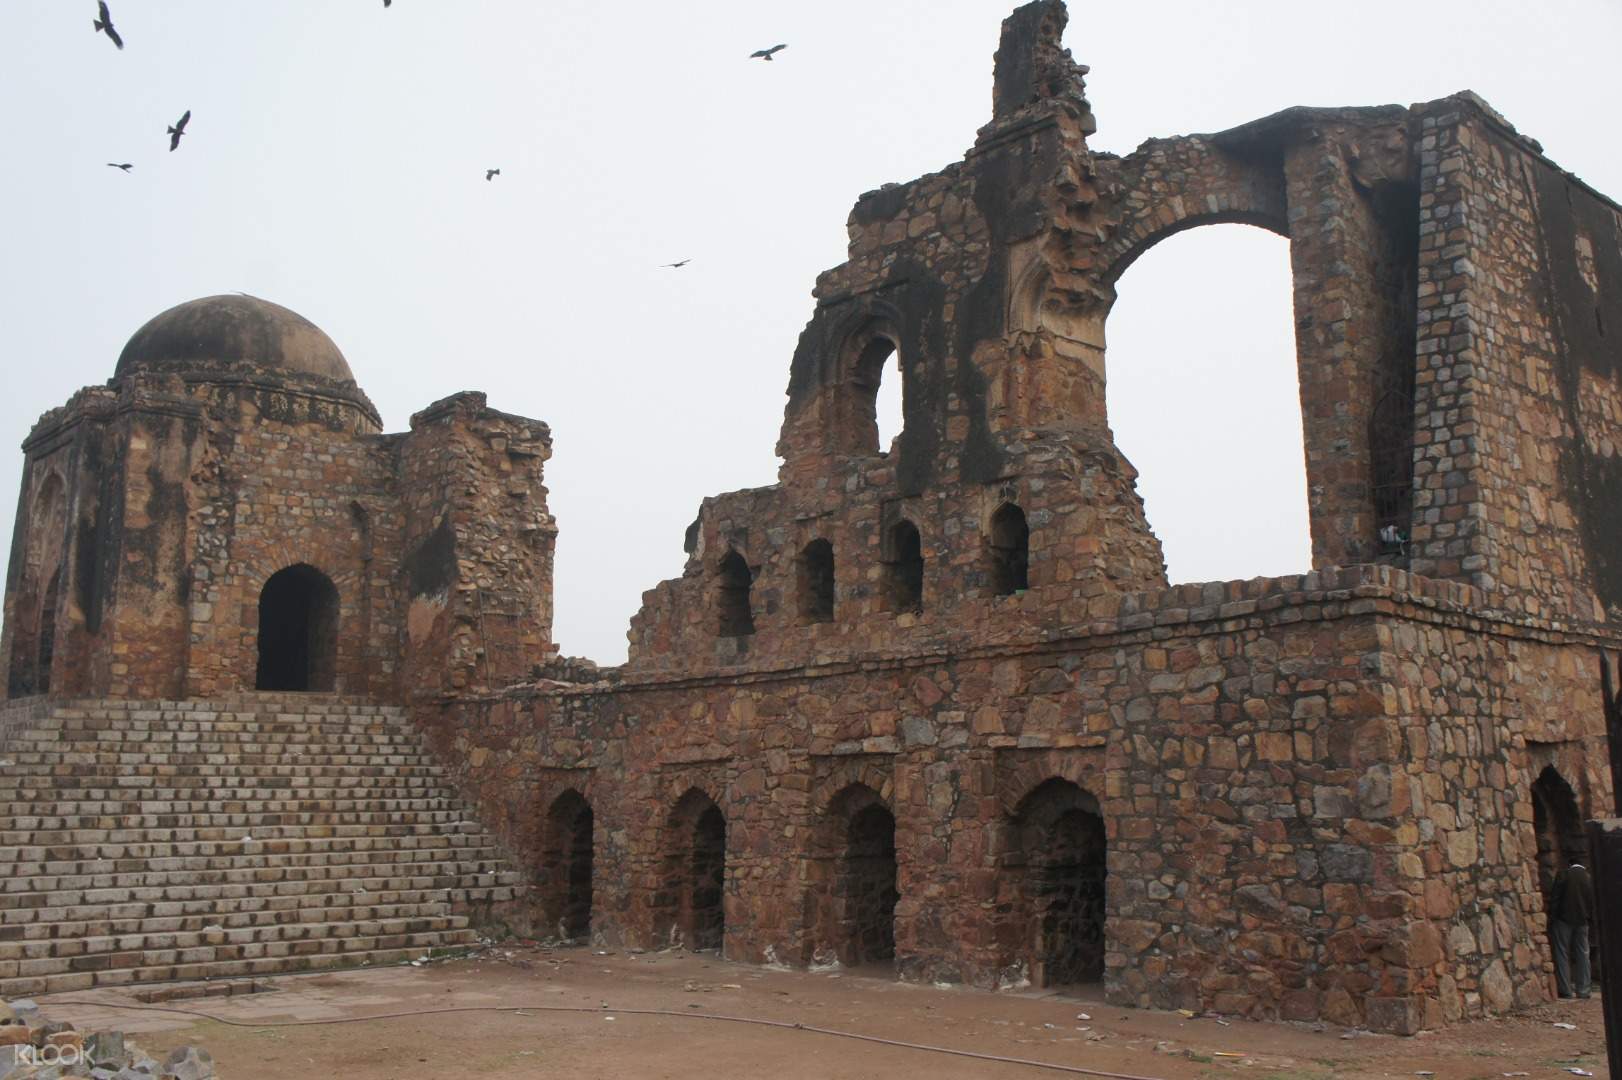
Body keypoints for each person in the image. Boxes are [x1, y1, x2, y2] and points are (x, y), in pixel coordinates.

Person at [1549, 861, 1596, 999]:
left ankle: (1565, 990)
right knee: (1583, 954)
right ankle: (1584, 990)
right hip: (1583, 921)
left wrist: (1552, 918)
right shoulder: (1589, 878)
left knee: (1562, 953)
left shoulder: (1564, 875)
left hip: (1563, 920)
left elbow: (1555, 899)